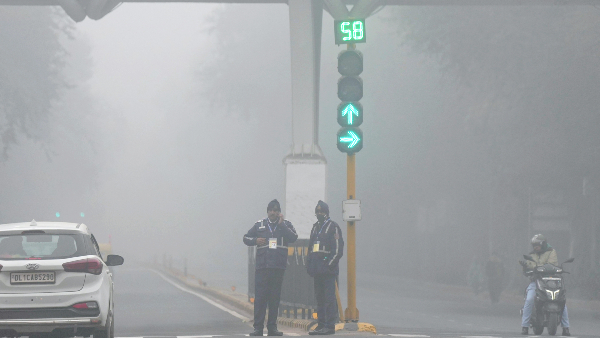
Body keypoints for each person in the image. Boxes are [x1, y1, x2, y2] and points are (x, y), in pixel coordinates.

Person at [243, 199, 298, 336]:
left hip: (278, 268)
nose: (273, 212)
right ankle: (258, 328)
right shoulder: (259, 225)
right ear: (267, 211)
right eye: (271, 210)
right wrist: (255, 241)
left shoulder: (286, 225)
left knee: (274, 299)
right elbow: (245, 238)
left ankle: (272, 327)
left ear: (279, 212)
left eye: (275, 210)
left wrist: (282, 225)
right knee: (260, 299)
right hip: (262, 267)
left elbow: (293, 238)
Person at [519, 234, 570, 336]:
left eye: (537, 245)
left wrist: (537, 267)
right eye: (534, 245)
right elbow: (530, 266)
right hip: (536, 281)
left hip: (552, 281)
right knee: (529, 299)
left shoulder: (551, 252)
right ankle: (525, 326)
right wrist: (526, 267)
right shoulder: (531, 255)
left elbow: (551, 264)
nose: (535, 247)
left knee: (561, 300)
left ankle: (566, 328)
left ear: (543, 244)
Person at [307, 201, 344, 336]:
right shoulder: (315, 227)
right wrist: (309, 264)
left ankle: (329, 326)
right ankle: (321, 324)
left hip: (328, 271)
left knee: (329, 299)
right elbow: (311, 248)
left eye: (322, 212)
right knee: (319, 298)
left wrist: (329, 265)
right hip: (317, 270)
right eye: (317, 212)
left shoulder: (333, 227)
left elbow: (338, 251)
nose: (319, 214)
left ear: (327, 213)